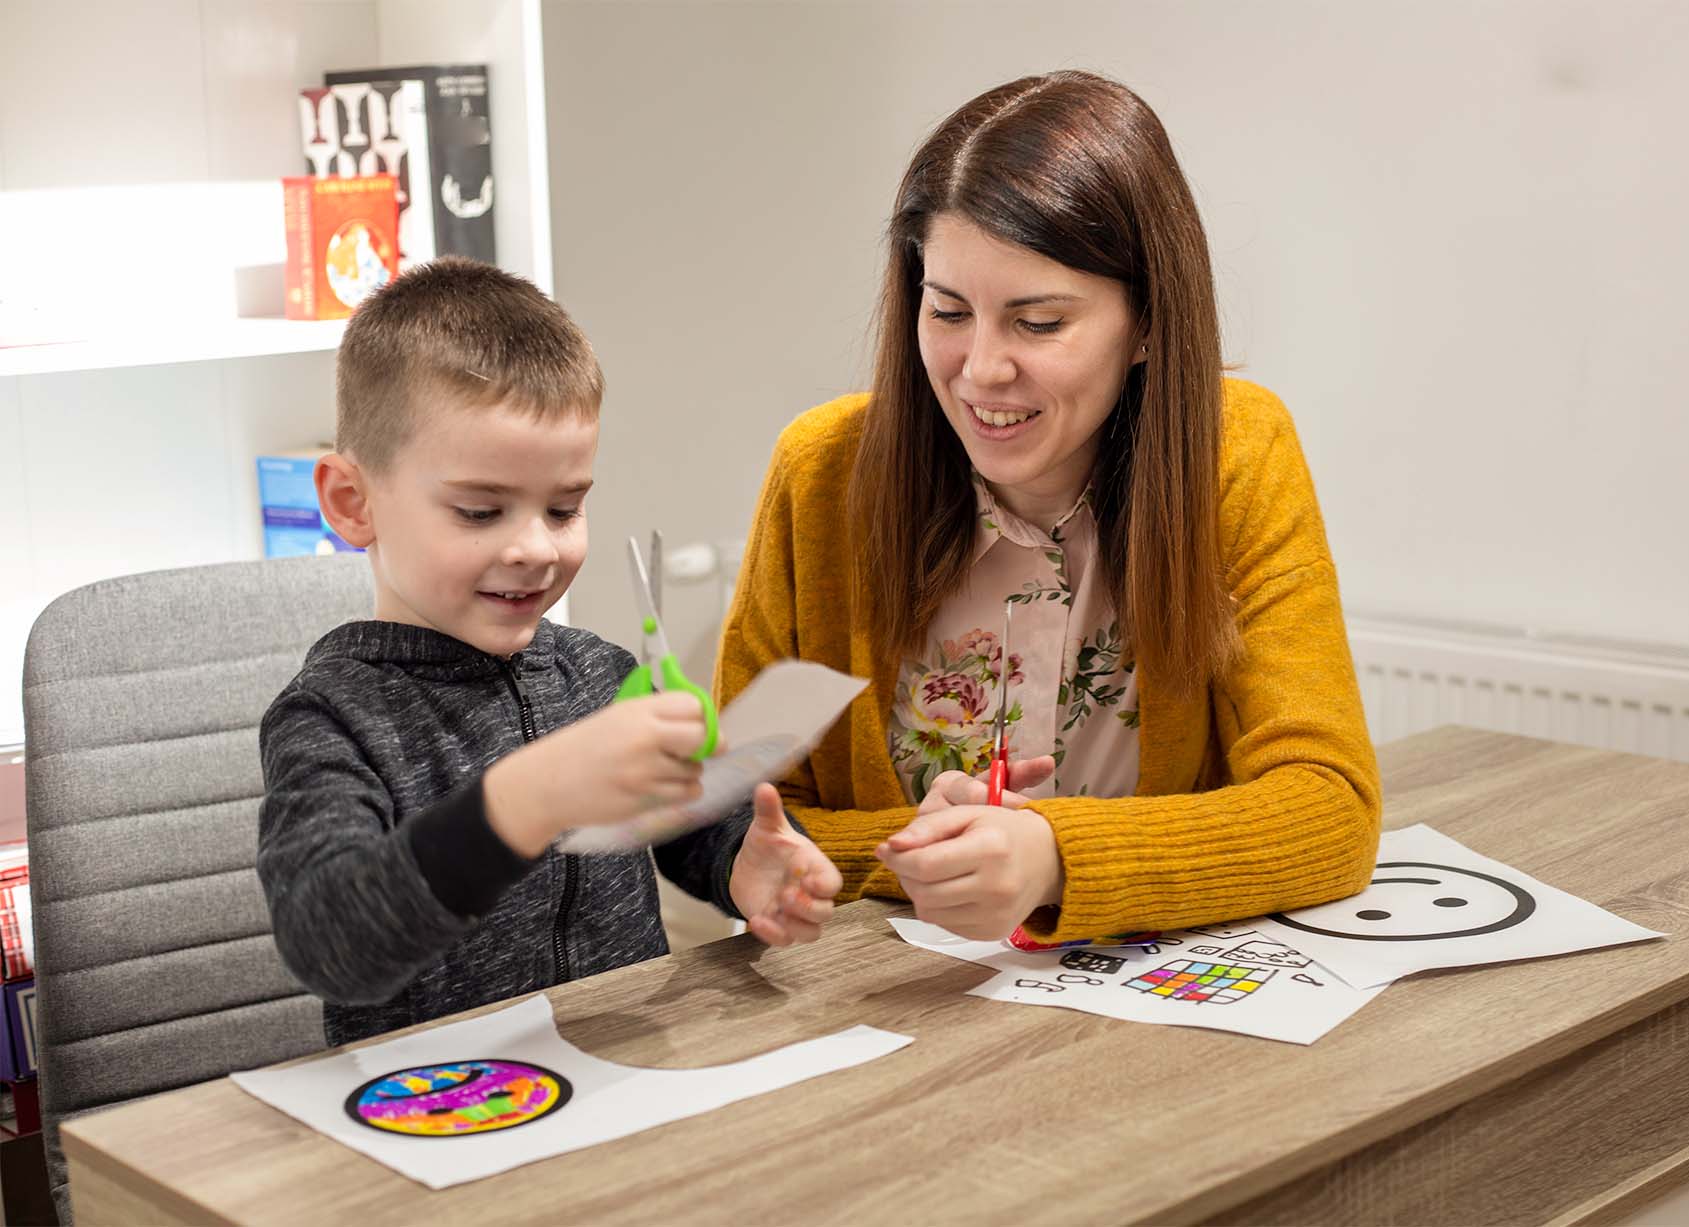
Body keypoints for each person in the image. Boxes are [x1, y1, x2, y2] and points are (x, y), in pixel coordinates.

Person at [716, 71, 1380, 945]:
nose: (981, 369)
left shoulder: (1236, 452)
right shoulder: (822, 473)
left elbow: (1328, 808)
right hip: (886, 1009)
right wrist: (929, 853)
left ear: (1147, 325)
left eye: (1038, 324)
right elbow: (735, 820)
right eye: (948, 310)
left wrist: (1054, 854)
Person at [259, 258, 839, 1047]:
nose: (535, 547)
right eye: (480, 510)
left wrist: (744, 864)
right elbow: (332, 942)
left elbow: (683, 823)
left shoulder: (595, 674)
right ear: (352, 503)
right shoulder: (332, 716)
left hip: (622, 1077)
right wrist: (525, 800)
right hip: (451, 1113)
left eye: (564, 508)